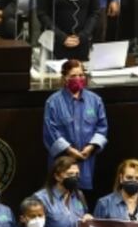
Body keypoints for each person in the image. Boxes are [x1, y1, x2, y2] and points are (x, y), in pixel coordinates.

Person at [43, 59, 108, 197]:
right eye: (73, 76)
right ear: (65, 78)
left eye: (81, 75)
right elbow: (50, 132)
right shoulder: (53, 102)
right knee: (60, 194)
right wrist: (70, 150)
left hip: (87, 159)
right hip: (62, 160)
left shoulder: (95, 100)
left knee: (83, 197)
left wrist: (91, 147)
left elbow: (102, 127)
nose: (78, 79)